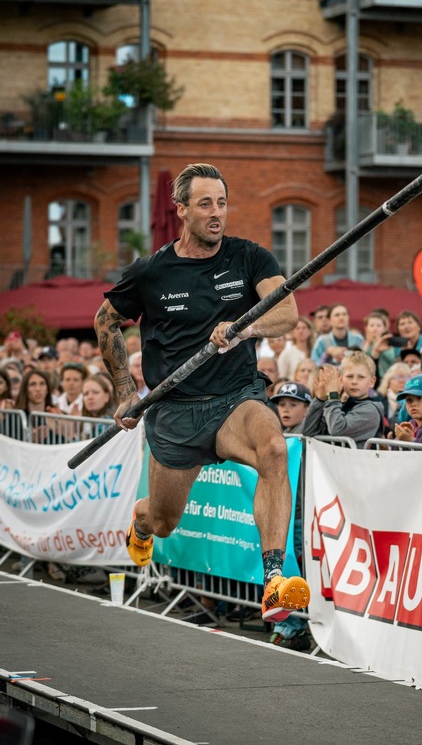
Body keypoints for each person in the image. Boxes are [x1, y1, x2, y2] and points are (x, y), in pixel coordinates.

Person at [93, 162, 309, 623]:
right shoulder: (151, 271)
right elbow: (105, 320)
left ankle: (274, 581)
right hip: (174, 412)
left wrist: (243, 327)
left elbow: (287, 313)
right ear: (182, 210)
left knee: (273, 448)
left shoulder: (249, 257)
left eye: (222, 203)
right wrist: (125, 391)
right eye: (205, 203)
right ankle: (141, 520)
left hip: (235, 398)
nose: (217, 213)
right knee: (165, 522)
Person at [267, 381, 313, 651]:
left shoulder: (304, 435)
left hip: (299, 515)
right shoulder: (276, 434)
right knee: (280, 570)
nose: (285, 409)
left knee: (294, 571)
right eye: (282, 404)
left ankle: (293, 627)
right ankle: (285, 622)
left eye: (293, 405)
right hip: (281, 513)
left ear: (307, 409)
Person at [302, 351, 383, 448]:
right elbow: (308, 432)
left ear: (372, 382)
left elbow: (337, 430)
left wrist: (333, 396)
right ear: (341, 380)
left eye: (361, 377)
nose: (354, 382)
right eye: (349, 376)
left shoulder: (370, 410)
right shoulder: (338, 404)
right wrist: (320, 399)